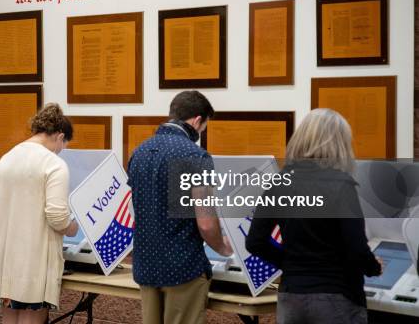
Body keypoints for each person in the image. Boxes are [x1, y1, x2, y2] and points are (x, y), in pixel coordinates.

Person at [246, 108, 382, 324]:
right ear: (339, 144)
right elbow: (356, 248)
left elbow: (254, 242)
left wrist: (289, 262)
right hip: (336, 296)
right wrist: (373, 267)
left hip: (291, 295)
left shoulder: (279, 183)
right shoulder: (341, 185)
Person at [127, 91, 233, 324]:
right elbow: (205, 222)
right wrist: (223, 248)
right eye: (204, 126)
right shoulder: (195, 156)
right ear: (197, 120)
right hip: (183, 268)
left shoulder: (139, 152)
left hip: (146, 266)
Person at [0, 103, 79, 324]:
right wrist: (72, 227)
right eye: (64, 145)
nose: (61, 150)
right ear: (60, 136)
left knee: (10, 319)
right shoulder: (54, 164)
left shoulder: (7, 158)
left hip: (6, 259)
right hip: (35, 262)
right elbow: (57, 216)